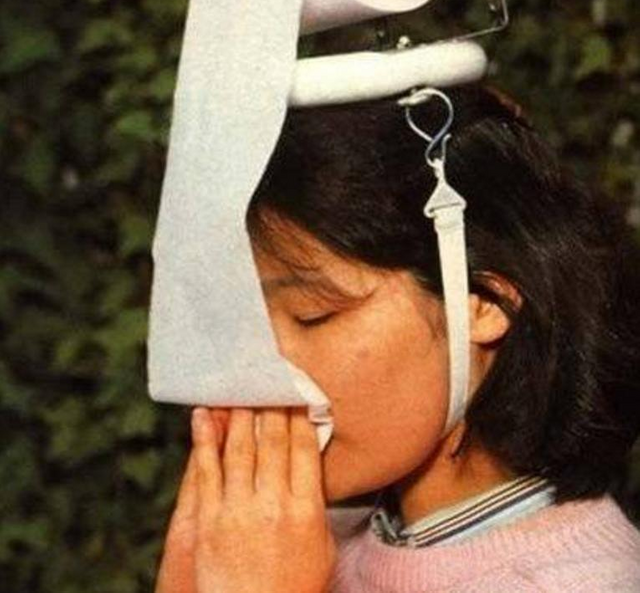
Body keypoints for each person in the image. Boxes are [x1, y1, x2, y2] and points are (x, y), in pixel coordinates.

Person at [155, 84, 640, 593]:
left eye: (312, 315)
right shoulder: (296, 550)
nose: (262, 371)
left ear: (483, 304)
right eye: (246, 323)